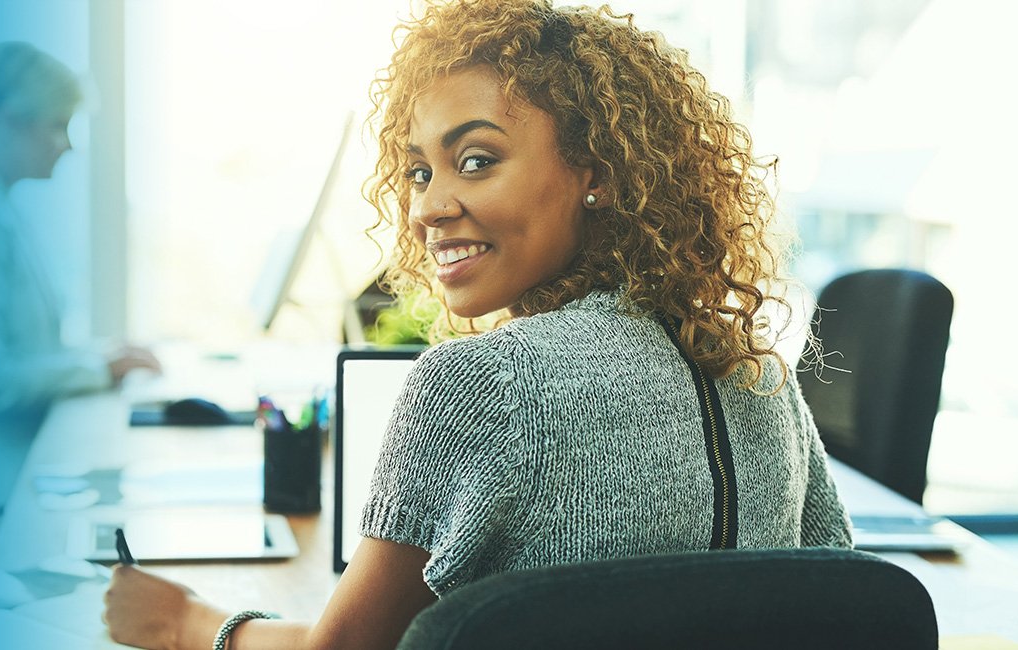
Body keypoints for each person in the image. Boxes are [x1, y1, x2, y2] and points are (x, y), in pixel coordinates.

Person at [101, 1, 850, 647]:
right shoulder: (759, 375)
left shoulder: (484, 384)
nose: (428, 207)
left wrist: (184, 621)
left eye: (478, 159)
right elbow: (846, 603)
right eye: (419, 171)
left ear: (598, 172)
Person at [0, 42, 161, 510]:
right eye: (58, 125)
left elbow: (26, 350)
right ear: (11, 119)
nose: (68, 144)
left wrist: (100, 355)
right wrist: (97, 369)